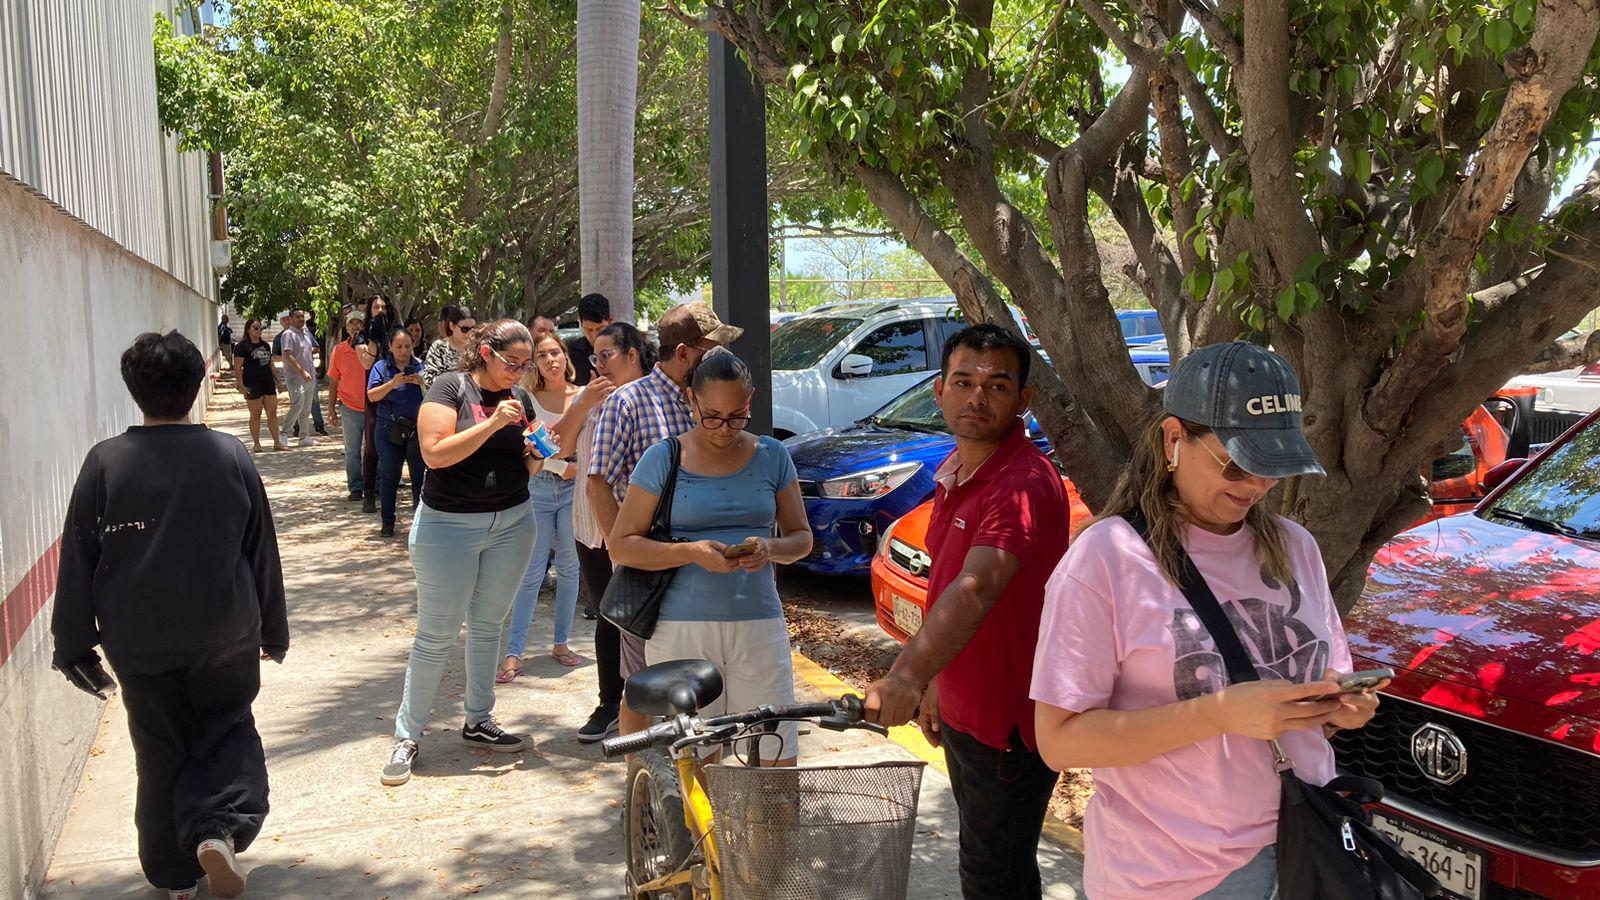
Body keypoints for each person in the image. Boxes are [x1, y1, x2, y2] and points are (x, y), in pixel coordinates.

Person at [1030, 342, 1380, 899]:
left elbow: (1317, 688)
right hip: (1174, 876)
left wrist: (1339, 707)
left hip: (1307, 844)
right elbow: (1060, 742)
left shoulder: (1295, 546)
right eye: (1237, 464)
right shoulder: (1106, 560)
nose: (1257, 486)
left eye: (1274, 466)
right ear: (1174, 438)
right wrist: (1217, 714)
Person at [52, 331, 287, 900]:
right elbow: (260, 548)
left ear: (134, 389)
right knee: (227, 731)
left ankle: (173, 877)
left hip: (139, 643)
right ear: (197, 384)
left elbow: (79, 556)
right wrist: (273, 629)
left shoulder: (105, 462)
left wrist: (73, 644)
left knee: (159, 750)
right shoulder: (229, 455)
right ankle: (216, 830)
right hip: (224, 635)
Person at [861, 324, 1071, 899]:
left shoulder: (1022, 482)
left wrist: (906, 676)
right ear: (940, 391)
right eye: (963, 382)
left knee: (993, 879)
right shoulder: (960, 468)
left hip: (1008, 725)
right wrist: (935, 684)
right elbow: (948, 587)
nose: (977, 397)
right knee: (993, 868)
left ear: (1023, 399)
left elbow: (977, 587)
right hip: (965, 709)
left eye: (997, 385)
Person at [609, 348, 812, 764]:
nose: (724, 429)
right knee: (696, 758)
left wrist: (770, 548)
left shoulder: (773, 455)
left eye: (737, 416)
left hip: (759, 624)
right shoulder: (663, 458)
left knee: (775, 755)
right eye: (712, 416)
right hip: (681, 629)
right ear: (691, 400)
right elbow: (622, 544)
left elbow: (802, 538)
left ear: (750, 402)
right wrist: (691, 552)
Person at [382, 320, 541, 786]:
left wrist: (541, 448)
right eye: (512, 362)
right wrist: (493, 423)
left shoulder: (521, 399)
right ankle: (407, 735)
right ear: (486, 353)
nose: (519, 371)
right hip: (448, 526)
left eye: (525, 364)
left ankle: (479, 720)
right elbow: (434, 454)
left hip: (512, 523)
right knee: (436, 636)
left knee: (489, 626)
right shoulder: (450, 387)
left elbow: (531, 464)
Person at [587, 301, 742, 741]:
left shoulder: (705, 400)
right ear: (685, 353)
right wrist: (624, 553)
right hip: (650, 569)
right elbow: (598, 484)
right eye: (711, 348)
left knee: (699, 679)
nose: (720, 356)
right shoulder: (628, 403)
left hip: (704, 566)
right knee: (643, 684)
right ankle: (639, 777)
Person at [568, 322, 646, 741]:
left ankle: (643, 703)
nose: (599, 365)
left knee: (640, 618)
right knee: (607, 615)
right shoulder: (589, 399)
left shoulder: (650, 398)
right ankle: (609, 703)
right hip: (590, 527)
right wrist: (582, 404)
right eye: (594, 357)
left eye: (607, 355)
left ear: (632, 354)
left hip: (635, 529)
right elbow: (558, 447)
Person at [500, 332, 586, 680]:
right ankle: (514, 652)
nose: (551, 360)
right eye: (542, 355)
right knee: (532, 571)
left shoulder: (584, 396)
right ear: (534, 364)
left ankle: (561, 643)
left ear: (566, 356)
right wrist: (560, 466)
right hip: (539, 486)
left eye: (556, 353)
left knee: (569, 568)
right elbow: (526, 449)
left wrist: (575, 470)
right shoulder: (527, 398)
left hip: (575, 489)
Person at [366, 327, 427, 538]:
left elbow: (436, 393)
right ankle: (387, 522)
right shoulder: (381, 367)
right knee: (390, 476)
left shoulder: (421, 366)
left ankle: (421, 524)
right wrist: (393, 383)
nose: (403, 351)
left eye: (407, 346)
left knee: (419, 478)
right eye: (399, 346)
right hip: (388, 429)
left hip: (416, 430)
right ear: (391, 346)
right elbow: (372, 396)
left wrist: (422, 382)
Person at [327, 310, 376, 501]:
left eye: (359, 323)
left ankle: (376, 485)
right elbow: (333, 381)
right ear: (346, 327)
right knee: (352, 450)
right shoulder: (339, 350)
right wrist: (331, 408)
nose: (355, 326)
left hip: (373, 406)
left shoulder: (372, 348)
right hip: (349, 407)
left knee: (375, 448)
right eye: (351, 323)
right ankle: (356, 487)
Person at [232, 319, 287, 452]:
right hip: (252, 383)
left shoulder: (265, 345)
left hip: (268, 382)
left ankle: (277, 442)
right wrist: (240, 385)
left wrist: (279, 381)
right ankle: (257, 444)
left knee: (272, 413)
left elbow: (271, 365)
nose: (259, 330)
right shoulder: (242, 347)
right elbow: (238, 368)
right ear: (248, 330)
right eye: (255, 328)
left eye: (260, 327)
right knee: (255, 414)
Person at [274, 310, 318, 448]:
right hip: (296, 377)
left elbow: (313, 350)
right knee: (297, 404)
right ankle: (284, 434)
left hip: (310, 376)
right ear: (291, 319)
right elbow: (288, 355)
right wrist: (301, 371)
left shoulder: (306, 333)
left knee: (306, 408)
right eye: (297, 317)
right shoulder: (288, 334)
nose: (301, 319)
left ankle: (304, 436)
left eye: (302, 316)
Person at [423, 305, 476, 393]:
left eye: (473, 329)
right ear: (452, 326)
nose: (469, 334)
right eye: (465, 329)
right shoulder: (439, 347)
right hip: (445, 396)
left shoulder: (477, 348)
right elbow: (429, 380)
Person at [567, 292, 613, 387]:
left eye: (600, 329)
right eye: (589, 330)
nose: (595, 335)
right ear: (581, 324)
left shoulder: (624, 348)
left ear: (610, 321)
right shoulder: (571, 352)